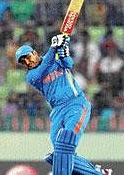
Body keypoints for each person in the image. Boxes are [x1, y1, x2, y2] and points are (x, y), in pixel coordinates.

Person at [15, 34, 112, 175]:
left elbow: (68, 64)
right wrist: (54, 47)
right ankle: (98, 173)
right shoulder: (31, 76)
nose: (28, 62)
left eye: (28, 57)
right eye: (24, 62)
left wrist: (62, 50)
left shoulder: (53, 58)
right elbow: (44, 68)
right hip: (57, 111)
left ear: (35, 53)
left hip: (76, 104)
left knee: (65, 143)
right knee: (60, 151)